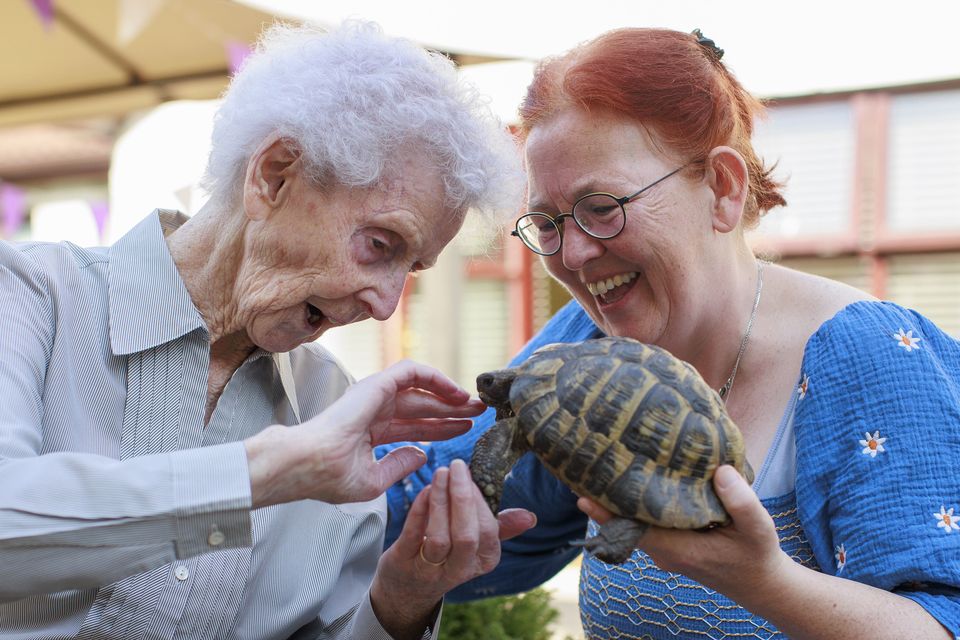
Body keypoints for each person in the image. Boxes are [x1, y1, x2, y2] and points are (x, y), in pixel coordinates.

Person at [379, 27, 960, 638]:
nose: (573, 253)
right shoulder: (593, 340)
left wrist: (764, 580)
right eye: (546, 223)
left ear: (723, 188)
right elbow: (449, 500)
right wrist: (295, 465)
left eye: (602, 207)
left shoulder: (871, 359)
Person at [0, 21, 537, 640]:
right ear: (274, 175)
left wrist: (400, 598)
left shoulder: (329, 400)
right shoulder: (29, 295)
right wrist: (268, 472)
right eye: (380, 245)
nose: (387, 304)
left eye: (411, 269)